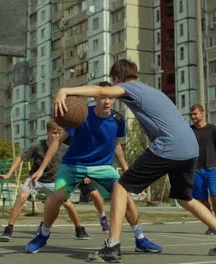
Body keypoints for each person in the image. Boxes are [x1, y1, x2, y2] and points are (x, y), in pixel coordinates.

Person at [52, 59, 216, 263]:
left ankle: (112, 246)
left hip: (170, 144)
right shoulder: (152, 91)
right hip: (189, 147)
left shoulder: (129, 88)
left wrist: (66, 90)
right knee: (185, 198)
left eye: (114, 82)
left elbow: (102, 92)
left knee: (121, 187)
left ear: (117, 78)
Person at [26, 81, 162, 254]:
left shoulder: (118, 120)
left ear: (115, 99)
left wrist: (126, 168)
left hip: (103, 166)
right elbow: (57, 141)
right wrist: (40, 169)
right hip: (73, 165)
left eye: (110, 98)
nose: (106, 101)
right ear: (95, 98)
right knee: (56, 197)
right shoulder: (81, 115)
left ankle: (140, 239)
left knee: (125, 197)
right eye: (102, 97)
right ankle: (43, 235)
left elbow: (116, 146)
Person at [0, 121, 89, 242]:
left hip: (54, 181)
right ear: (48, 133)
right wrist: (9, 173)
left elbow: (76, 162)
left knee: (68, 204)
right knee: (22, 196)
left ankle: (79, 228)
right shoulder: (38, 145)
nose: (56, 136)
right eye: (53, 133)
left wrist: (84, 175)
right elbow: (20, 157)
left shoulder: (65, 148)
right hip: (35, 178)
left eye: (59, 133)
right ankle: (9, 228)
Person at [189, 104, 216, 235]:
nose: (193, 116)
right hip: (196, 169)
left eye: (195, 114)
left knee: (215, 194)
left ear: (202, 114)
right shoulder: (190, 131)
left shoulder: (213, 129)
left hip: (212, 167)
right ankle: (212, 222)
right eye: (191, 114)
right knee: (202, 199)